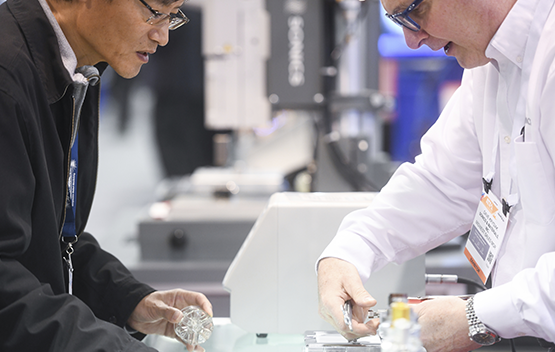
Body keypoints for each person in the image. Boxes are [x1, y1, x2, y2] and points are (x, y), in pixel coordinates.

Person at [317, 0, 555, 351]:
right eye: (396, 19)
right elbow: (440, 183)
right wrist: (349, 251)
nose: (412, 39)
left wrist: (477, 316)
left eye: (414, 11)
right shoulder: (489, 63)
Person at [0, 0, 212, 351]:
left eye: (172, 16)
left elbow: (50, 239)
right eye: (154, 12)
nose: (163, 36)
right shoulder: (8, 80)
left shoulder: (78, 72)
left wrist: (127, 301)